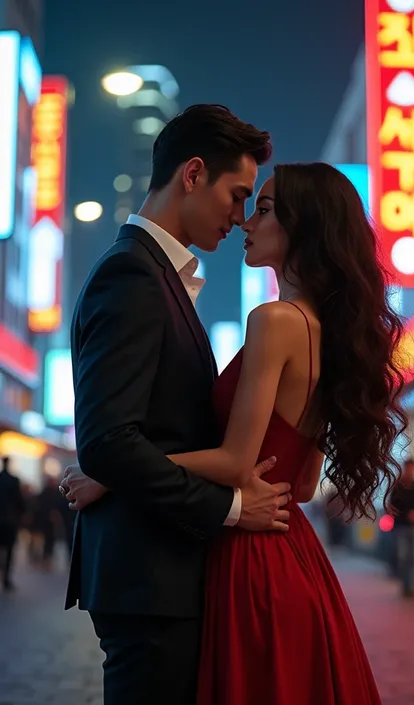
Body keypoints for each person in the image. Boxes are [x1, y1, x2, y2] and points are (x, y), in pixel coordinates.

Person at [64, 161, 408, 704]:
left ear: (306, 227)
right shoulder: (327, 333)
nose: (247, 222)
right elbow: (300, 481)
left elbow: (234, 462)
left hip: (253, 559)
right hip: (294, 553)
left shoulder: (275, 321)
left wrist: (109, 474)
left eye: (264, 210)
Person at [60, 104, 292, 705]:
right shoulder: (133, 276)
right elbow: (109, 441)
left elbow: (135, 441)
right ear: (192, 174)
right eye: (237, 195)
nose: (240, 218)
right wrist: (232, 507)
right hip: (148, 581)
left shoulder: (157, 275)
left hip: (159, 575)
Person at [390, 458, 414, 598]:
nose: (411, 471)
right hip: (401, 525)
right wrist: (406, 515)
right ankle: (405, 585)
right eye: (409, 468)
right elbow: (393, 505)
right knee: (403, 555)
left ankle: (411, 585)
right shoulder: (398, 486)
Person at [0, 456, 25, 591]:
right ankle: (6, 578)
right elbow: (19, 501)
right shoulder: (13, 480)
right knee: (9, 550)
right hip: (10, 520)